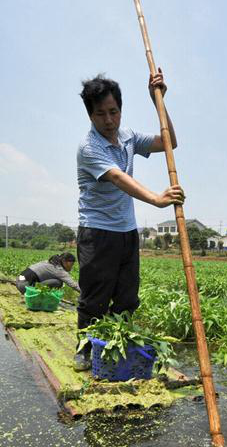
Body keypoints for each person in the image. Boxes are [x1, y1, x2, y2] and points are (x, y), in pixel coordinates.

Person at [73, 71, 185, 371]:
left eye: (114, 112)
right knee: (95, 297)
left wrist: (157, 101)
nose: (109, 120)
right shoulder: (89, 147)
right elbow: (119, 178)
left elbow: (169, 142)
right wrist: (157, 200)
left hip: (126, 231)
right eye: (100, 114)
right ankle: (85, 349)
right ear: (90, 115)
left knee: (126, 297)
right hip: (96, 232)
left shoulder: (128, 137)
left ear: (120, 110)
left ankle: (116, 344)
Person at [15, 253, 80, 294]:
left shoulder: (49, 262)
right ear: (64, 261)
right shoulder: (59, 270)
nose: (71, 267)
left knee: (55, 279)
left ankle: (38, 291)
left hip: (18, 281)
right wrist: (86, 295)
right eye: (71, 264)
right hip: (25, 288)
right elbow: (73, 285)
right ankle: (40, 295)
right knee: (58, 282)